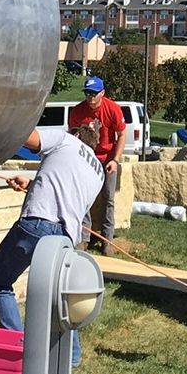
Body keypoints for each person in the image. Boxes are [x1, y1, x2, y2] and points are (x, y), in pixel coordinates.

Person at [0, 123, 106, 363]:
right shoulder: (98, 172)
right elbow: (67, 192)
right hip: (64, 237)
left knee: (0, 284)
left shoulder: (65, 140)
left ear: (76, 134)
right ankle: (71, 359)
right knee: (60, 300)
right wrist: (31, 185)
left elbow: (26, 136)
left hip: (36, 225)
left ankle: (17, 349)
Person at [67, 75, 126, 253]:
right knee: (84, 198)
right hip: (86, 158)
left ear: (102, 93)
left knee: (108, 198)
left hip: (107, 158)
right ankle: (84, 238)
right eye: (87, 93)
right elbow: (72, 135)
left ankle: (107, 240)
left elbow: (122, 135)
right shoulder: (78, 111)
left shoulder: (112, 109)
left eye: (93, 93)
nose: (90, 97)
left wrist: (115, 160)